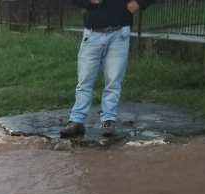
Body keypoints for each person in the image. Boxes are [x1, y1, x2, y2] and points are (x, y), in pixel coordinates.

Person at [60, 0, 155, 137]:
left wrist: (140, 3)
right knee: (85, 81)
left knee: (113, 81)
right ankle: (76, 120)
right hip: (92, 34)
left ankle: (108, 120)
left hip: (119, 33)